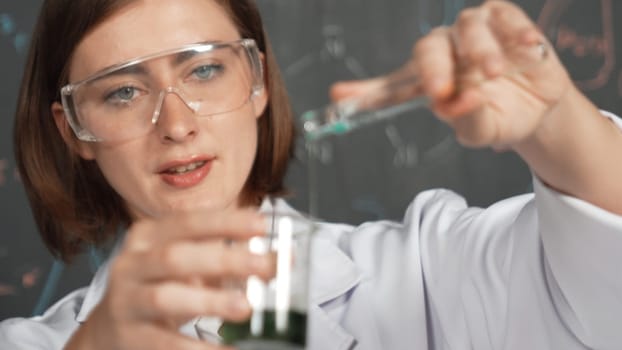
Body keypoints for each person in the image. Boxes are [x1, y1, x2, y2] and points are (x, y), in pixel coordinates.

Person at [2, 0, 622, 349]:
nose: (177, 125)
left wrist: (556, 124)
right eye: (123, 92)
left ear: (259, 84)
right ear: (72, 129)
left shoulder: (428, 274)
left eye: (204, 71)